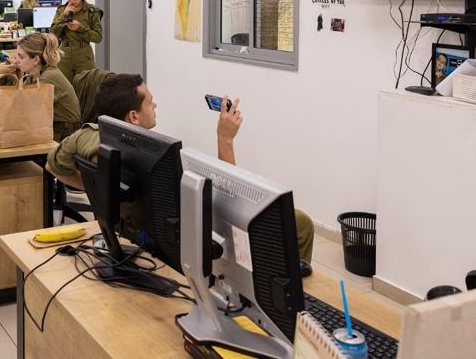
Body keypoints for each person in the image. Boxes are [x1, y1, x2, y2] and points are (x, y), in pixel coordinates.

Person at [46, 74, 316, 274]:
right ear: (133, 116)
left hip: (137, 234)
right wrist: (225, 138)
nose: (156, 106)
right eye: (150, 103)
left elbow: (53, 167)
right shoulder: (155, 164)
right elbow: (230, 200)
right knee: (299, 222)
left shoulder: (85, 137)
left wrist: (101, 192)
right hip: (185, 241)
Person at [0, 32, 80, 140]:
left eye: (21, 57)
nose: (16, 61)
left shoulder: (49, 77)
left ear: (35, 60)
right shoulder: (33, 75)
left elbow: (25, 111)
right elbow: (18, 101)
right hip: (49, 127)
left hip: (64, 133)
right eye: (16, 56)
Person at [50, 0, 103, 83]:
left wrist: (80, 28)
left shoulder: (91, 11)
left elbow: (98, 37)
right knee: (64, 90)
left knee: (86, 89)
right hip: (64, 54)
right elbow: (53, 34)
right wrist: (63, 16)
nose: (72, 0)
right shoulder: (61, 10)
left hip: (84, 55)